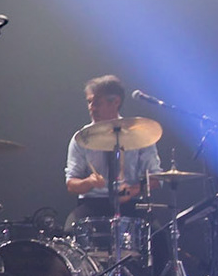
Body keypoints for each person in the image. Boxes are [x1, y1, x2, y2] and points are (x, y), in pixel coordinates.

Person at [64, 74, 162, 240]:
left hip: (131, 202)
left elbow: (156, 178)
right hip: (93, 204)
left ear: (115, 102)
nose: (92, 108)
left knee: (159, 237)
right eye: (89, 102)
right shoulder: (81, 138)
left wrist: (131, 191)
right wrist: (89, 182)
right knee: (68, 234)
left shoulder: (140, 135)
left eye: (97, 103)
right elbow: (71, 184)